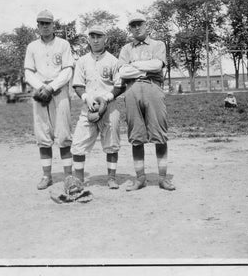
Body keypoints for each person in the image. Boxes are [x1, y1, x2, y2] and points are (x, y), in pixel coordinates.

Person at [117, 12, 175, 192]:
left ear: (146, 25)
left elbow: (157, 65)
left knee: (159, 133)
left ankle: (163, 178)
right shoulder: (126, 48)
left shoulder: (158, 44)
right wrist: (143, 68)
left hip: (153, 88)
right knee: (136, 136)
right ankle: (140, 178)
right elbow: (122, 73)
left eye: (139, 24)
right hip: (132, 91)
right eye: (132, 25)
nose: (136, 28)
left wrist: (134, 66)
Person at [24, 10, 74, 190]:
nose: (45, 26)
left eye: (48, 23)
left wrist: (51, 87)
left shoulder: (63, 44)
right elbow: (28, 72)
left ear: (54, 25)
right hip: (39, 93)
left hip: (58, 92)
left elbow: (68, 70)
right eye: (41, 23)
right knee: (43, 134)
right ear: (37, 26)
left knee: (63, 134)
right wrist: (40, 87)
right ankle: (47, 176)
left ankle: (68, 176)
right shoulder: (32, 46)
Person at [70, 25, 125, 189]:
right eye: (92, 37)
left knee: (112, 143)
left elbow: (120, 85)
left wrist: (107, 97)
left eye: (99, 36)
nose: (95, 40)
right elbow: (78, 85)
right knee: (78, 144)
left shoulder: (114, 61)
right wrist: (86, 98)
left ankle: (111, 178)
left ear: (105, 39)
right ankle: (79, 180)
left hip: (108, 105)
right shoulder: (82, 61)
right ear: (88, 39)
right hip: (89, 107)